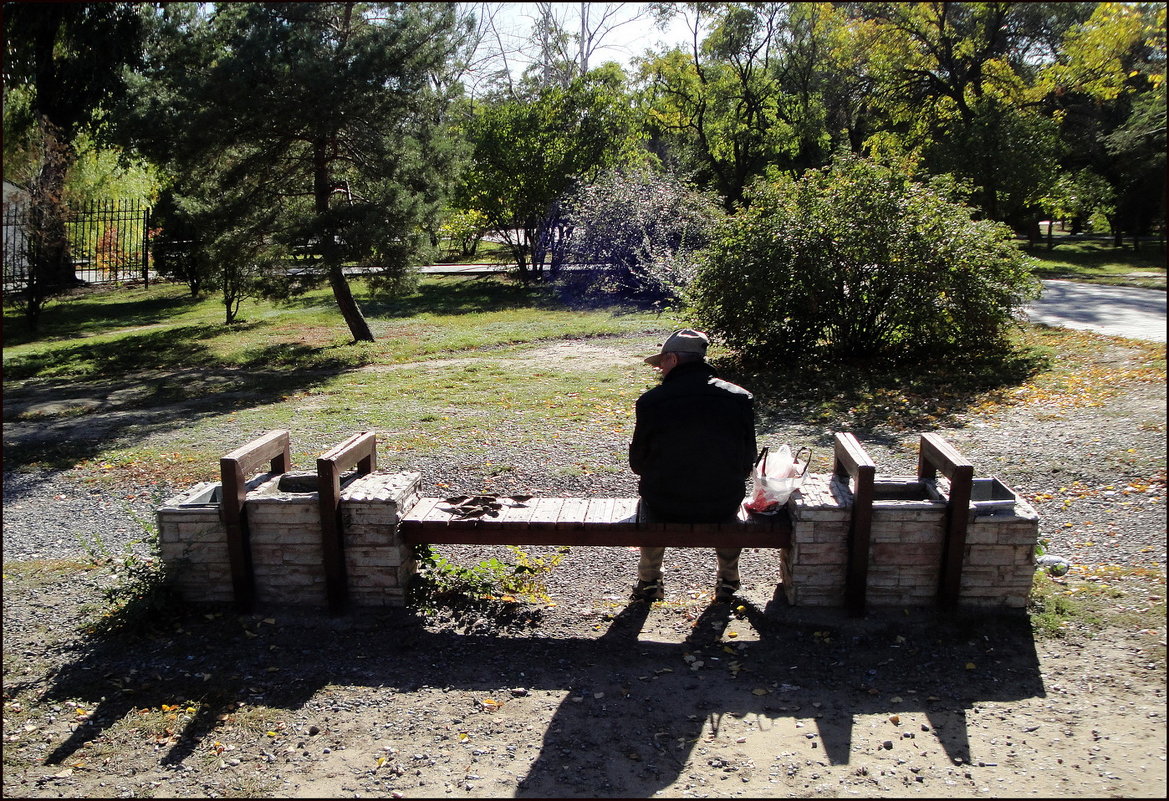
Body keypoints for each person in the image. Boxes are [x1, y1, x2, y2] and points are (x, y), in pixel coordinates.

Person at [628, 328, 757, 603]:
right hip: (721, 501)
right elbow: (748, 459)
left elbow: (638, 463)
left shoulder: (652, 402)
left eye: (661, 362)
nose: (659, 369)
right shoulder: (740, 398)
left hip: (665, 502)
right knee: (730, 505)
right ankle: (729, 580)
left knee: (648, 503)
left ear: (673, 359)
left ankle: (649, 581)